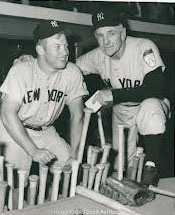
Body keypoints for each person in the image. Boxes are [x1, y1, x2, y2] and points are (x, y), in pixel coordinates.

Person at [76, 8, 170, 184]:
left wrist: (112, 94)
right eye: (100, 35)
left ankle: (151, 167)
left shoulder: (144, 47)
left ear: (123, 33)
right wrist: (33, 62)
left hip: (150, 104)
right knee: (122, 169)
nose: (106, 41)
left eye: (111, 33)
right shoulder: (98, 55)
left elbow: (154, 89)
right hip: (121, 112)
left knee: (151, 108)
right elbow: (69, 69)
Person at [0, 20, 88, 177]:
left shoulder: (72, 72)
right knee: (13, 183)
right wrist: (33, 150)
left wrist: (74, 154)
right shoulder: (21, 70)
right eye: (57, 47)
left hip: (46, 131)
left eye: (66, 46)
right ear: (40, 49)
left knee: (74, 171)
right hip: (15, 129)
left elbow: (78, 115)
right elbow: (7, 114)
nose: (65, 52)